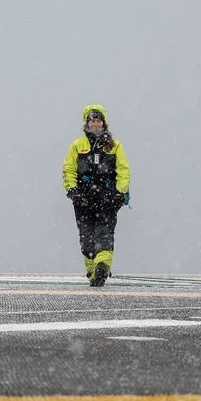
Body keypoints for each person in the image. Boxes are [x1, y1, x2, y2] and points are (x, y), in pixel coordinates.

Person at [62, 104, 130, 287]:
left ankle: (102, 267)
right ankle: (93, 272)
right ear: (87, 123)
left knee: (104, 234)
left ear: (103, 123)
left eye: (98, 120)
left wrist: (120, 193)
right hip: (83, 199)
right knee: (86, 238)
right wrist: (73, 190)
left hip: (107, 199)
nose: (94, 124)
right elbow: (68, 170)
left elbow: (123, 171)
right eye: (91, 121)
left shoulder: (115, 146)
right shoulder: (77, 146)